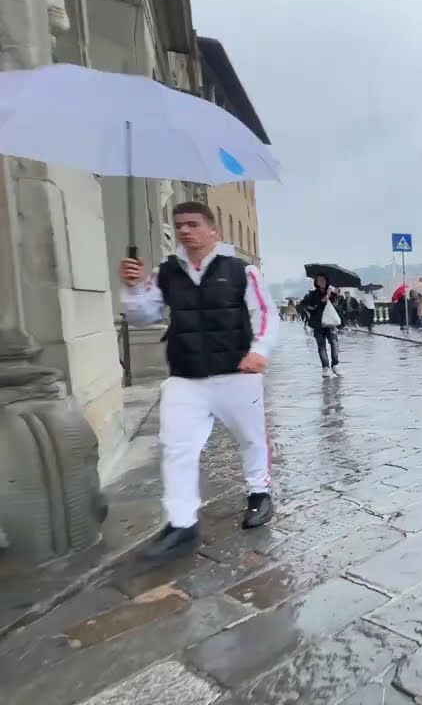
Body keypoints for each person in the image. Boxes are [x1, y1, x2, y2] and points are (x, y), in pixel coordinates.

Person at [119, 201, 279, 562]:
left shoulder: (242, 271)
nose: (185, 231)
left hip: (236, 371)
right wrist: (131, 288)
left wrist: (260, 350)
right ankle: (181, 524)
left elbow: (265, 313)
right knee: (177, 447)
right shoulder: (167, 273)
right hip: (185, 375)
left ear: (212, 230)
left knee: (251, 437)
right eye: (179, 226)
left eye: (193, 224)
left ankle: (259, 493)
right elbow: (144, 315)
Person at [301, 275, 342, 377]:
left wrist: (336, 293)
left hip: (331, 322)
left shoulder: (332, 292)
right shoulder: (313, 294)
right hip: (318, 323)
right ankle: (325, 367)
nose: (322, 282)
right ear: (316, 282)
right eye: (319, 280)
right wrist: (327, 294)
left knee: (334, 343)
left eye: (323, 280)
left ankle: (335, 365)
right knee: (321, 345)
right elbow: (318, 302)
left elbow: (338, 303)